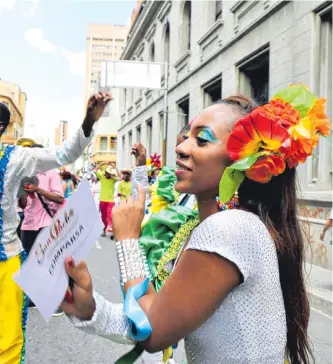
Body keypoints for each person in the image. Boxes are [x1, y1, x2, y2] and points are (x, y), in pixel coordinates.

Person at [62, 85, 331, 364]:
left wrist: (128, 241)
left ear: (242, 161)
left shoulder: (231, 229)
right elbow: (163, 314)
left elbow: (152, 331)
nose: (180, 147)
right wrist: (91, 309)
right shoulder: (199, 227)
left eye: (201, 140)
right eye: (187, 136)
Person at [0, 91, 111, 364]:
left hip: (5, 262)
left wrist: (88, 122)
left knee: (7, 341)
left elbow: (65, 153)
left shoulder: (16, 158)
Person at [19, 144, 64, 315]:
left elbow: (59, 197)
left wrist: (38, 190)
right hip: (28, 223)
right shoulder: (25, 175)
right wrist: (23, 195)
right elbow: (22, 205)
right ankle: (32, 298)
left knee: (48, 263)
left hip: (46, 222)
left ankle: (55, 301)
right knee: (29, 262)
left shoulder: (52, 173)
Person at [95, 162, 119, 235]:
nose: (108, 174)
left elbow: (121, 177)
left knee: (110, 215)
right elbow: (95, 170)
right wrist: (101, 163)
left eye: (110, 173)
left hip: (110, 201)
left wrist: (115, 167)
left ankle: (110, 228)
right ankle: (104, 229)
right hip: (102, 200)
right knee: (103, 217)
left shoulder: (113, 179)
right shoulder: (102, 177)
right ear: (106, 173)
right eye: (107, 173)